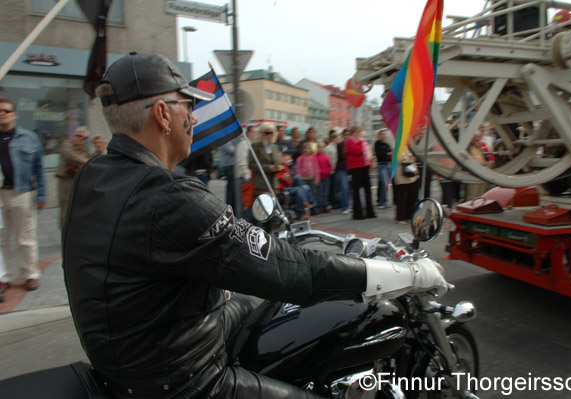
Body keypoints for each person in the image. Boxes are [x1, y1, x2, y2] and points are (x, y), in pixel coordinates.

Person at [62, 52, 448, 399]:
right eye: (187, 107)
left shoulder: (94, 175)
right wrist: (404, 273)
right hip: (181, 377)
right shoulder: (167, 197)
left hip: (140, 349)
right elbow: (291, 270)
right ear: (163, 114)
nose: (193, 117)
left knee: (274, 307)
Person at [0, 98, 46, 292]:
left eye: (6, 110)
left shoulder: (29, 137)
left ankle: (30, 275)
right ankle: (4, 276)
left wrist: (42, 195)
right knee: (1, 239)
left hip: (22, 193)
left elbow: (39, 167)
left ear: (14, 114)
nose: (2, 113)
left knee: (25, 238)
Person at [56, 126, 91, 226]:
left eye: (84, 138)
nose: (81, 139)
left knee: (80, 208)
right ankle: (65, 235)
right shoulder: (66, 144)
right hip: (66, 180)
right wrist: (86, 162)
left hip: (80, 181)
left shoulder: (85, 152)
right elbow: (69, 155)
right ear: (74, 136)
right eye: (79, 136)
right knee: (66, 208)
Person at [345, 125, 375, 220]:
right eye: (356, 132)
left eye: (359, 131)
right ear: (352, 133)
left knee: (367, 189)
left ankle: (370, 212)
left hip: (364, 166)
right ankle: (358, 214)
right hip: (355, 167)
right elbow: (357, 151)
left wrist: (369, 162)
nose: (358, 133)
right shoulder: (349, 142)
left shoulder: (362, 141)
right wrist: (361, 142)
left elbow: (368, 153)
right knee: (356, 191)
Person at [235, 125, 257, 219]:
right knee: (243, 204)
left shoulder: (254, 145)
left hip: (252, 179)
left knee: (250, 204)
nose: (256, 134)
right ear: (248, 133)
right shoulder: (243, 144)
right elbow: (242, 162)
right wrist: (248, 176)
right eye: (254, 132)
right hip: (243, 178)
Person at [393, 150, 420, 224]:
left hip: (411, 176)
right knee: (402, 199)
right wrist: (411, 157)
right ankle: (400, 218)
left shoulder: (409, 148)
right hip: (401, 176)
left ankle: (409, 216)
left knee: (411, 198)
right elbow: (402, 159)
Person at [374, 128, 392, 209]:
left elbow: (390, 154)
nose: (384, 136)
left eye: (385, 134)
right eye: (382, 134)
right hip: (382, 165)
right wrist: (388, 153)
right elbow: (380, 154)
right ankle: (383, 202)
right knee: (384, 184)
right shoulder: (377, 144)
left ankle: (383, 201)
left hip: (388, 164)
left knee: (384, 184)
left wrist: (388, 154)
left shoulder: (387, 144)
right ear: (379, 135)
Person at [217, 139, 237, 208]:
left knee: (233, 189)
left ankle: (233, 207)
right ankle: (230, 207)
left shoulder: (229, 138)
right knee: (231, 189)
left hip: (232, 164)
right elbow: (231, 150)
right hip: (229, 165)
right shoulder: (223, 139)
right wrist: (239, 147)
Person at [335, 128, 351, 215]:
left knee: (348, 189)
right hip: (342, 169)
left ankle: (348, 205)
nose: (348, 136)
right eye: (346, 135)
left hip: (350, 169)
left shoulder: (352, 144)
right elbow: (343, 156)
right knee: (344, 188)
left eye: (349, 134)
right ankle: (345, 207)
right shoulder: (340, 145)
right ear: (343, 136)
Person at [315, 142, 332, 213]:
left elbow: (329, 166)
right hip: (320, 177)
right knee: (320, 192)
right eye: (319, 147)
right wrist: (320, 172)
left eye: (322, 147)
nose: (321, 149)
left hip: (327, 176)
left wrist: (328, 171)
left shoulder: (326, 156)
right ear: (317, 148)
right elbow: (315, 167)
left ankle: (325, 206)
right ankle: (320, 207)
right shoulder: (315, 157)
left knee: (326, 192)